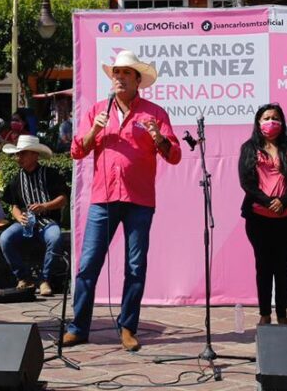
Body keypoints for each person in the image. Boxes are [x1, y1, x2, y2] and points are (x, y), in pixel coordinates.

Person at [65, 49, 181, 351]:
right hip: (103, 199)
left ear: (137, 80)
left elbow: (175, 156)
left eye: (125, 73)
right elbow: (77, 151)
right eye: (116, 72)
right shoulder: (96, 111)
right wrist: (94, 130)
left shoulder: (154, 113)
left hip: (140, 200)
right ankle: (79, 327)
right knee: (89, 264)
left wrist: (158, 138)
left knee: (135, 266)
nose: (118, 77)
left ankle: (128, 327)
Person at [240, 103, 287, 326]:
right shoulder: (249, 148)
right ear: (259, 123)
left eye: (275, 118)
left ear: (282, 122)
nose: (271, 121)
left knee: (283, 266)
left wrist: (283, 201)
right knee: (263, 265)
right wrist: (269, 202)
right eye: (266, 117)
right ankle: (264, 313)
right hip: (258, 218)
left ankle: (282, 314)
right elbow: (247, 182)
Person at [0, 135, 70, 296]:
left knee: (55, 237)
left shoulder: (50, 174)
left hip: (48, 221)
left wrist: (45, 206)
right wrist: (19, 217)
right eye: (18, 154)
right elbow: (14, 206)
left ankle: (44, 279)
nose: (19, 158)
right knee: (5, 238)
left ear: (35, 155)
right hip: (26, 222)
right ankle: (23, 277)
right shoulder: (16, 179)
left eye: (23, 154)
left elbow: (63, 199)